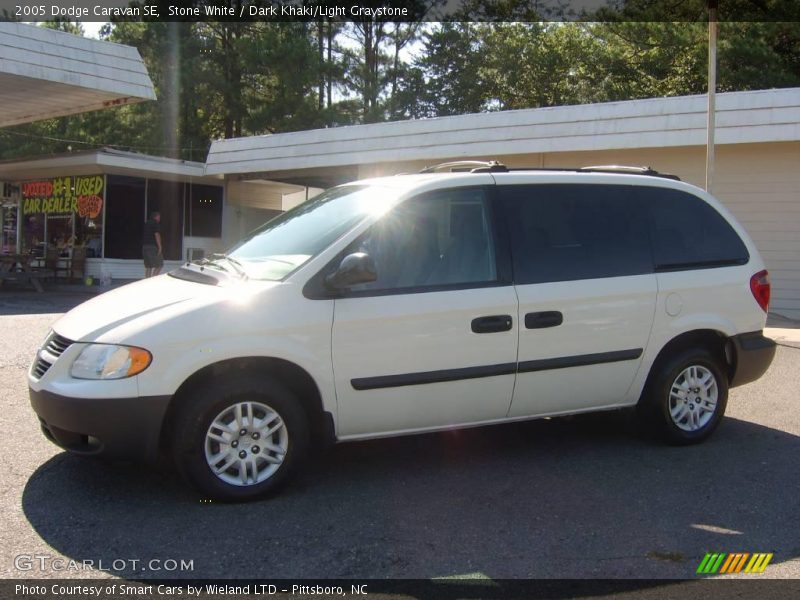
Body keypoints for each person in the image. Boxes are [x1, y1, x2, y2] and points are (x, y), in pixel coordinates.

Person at [142, 211, 163, 277]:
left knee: (148, 266)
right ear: (156, 217)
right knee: (159, 265)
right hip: (152, 247)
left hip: (145, 247)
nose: (159, 219)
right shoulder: (155, 223)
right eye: (159, 217)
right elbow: (157, 235)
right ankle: (152, 281)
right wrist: (160, 247)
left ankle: (146, 282)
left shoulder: (146, 223)